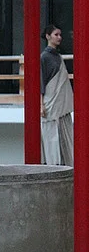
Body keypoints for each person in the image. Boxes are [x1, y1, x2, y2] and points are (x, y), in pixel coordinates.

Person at [40, 24, 73, 166]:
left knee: (66, 134)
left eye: (60, 35)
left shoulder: (58, 56)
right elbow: (41, 81)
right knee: (51, 134)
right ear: (48, 36)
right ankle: (53, 164)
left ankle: (67, 164)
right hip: (50, 103)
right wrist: (41, 104)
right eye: (56, 34)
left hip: (62, 105)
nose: (59, 37)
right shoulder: (44, 57)